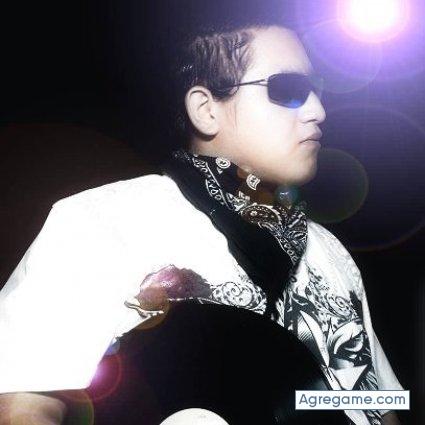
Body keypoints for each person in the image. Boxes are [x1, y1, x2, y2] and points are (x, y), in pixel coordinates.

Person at [0, 3, 403, 425]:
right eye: (287, 88)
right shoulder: (103, 221)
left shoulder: (330, 251)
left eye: (316, 89)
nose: (318, 110)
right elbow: (22, 408)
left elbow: (380, 406)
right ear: (206, 110)